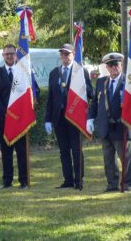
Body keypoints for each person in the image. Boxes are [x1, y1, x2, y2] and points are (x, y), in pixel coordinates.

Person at [44, 43, 93, 190]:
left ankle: (79, 180)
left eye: (67, 54)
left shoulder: (81, 71)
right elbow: (51, 98)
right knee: (64, 151)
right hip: (59, 118)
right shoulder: (54, 73)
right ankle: (68, 180)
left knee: (76, 150)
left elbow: (91, 93)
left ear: (73, 54)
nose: (65, 56)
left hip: (75, 117)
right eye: (62, 54)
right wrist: (48, 119)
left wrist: (84, 85)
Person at [87, 52, 131, 192]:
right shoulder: (102, 82)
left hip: (122, 126)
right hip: (105, 127)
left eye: (116, 64)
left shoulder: (129, 82)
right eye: (110, 65)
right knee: (108, 159)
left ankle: (127, 184)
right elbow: (95, 102)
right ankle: (112, 184)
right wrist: (90, 118)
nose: (113, 68)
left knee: (125, 158)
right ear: (106, 67)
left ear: (121, 65)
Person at [0, 44, 28, 189]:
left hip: (20, 119)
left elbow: (32, 90)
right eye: (7, 54)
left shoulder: (23, 71)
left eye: (12, 54)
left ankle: (23, 180)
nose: (10, 56)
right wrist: (6, 112)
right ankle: (7, 181)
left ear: (16, 55)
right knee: (6, 150)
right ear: (3, 56)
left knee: (21, 151)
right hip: (3, 118)